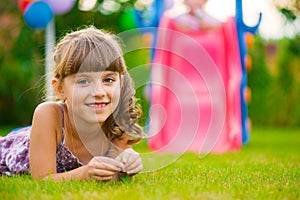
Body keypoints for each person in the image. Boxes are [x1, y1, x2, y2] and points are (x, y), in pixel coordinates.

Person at [0, 26, 145, 181]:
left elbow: (115, 173)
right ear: (60, 89)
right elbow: (42, 180)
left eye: (108, 80)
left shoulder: (119, 120)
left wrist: (128, 161)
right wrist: (85, 173)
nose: (99, 92)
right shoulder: (49, 115)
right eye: (83, 81)